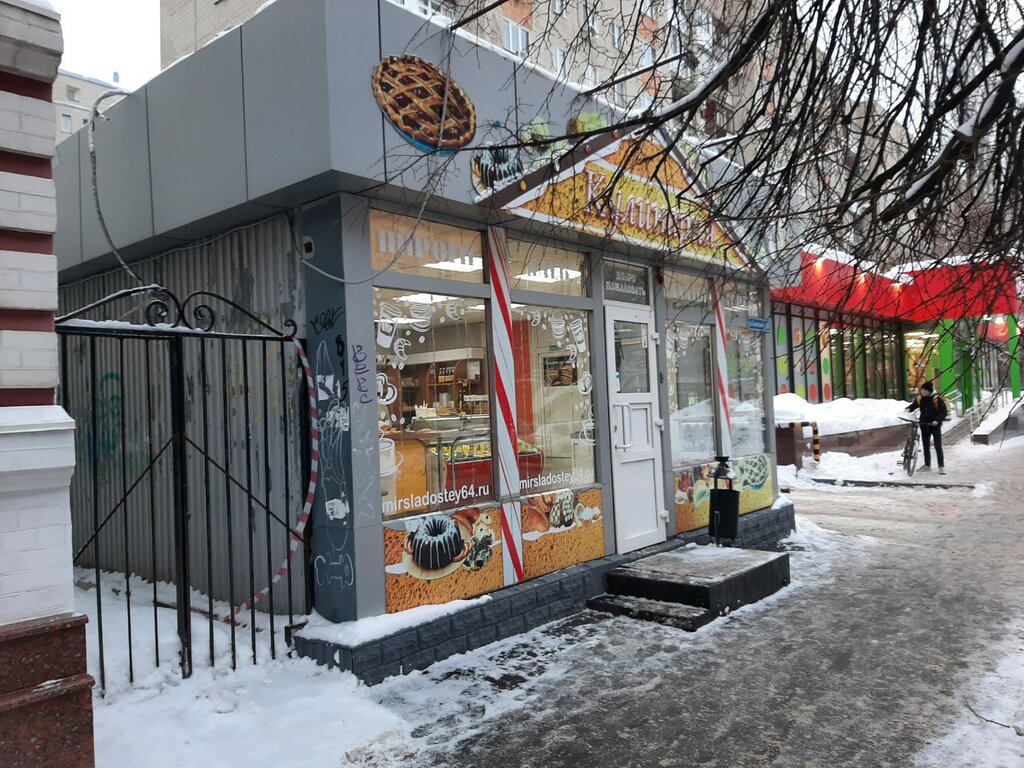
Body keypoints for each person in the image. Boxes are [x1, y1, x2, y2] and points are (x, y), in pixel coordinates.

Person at [906, 381, 948, 473]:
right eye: (922, 390)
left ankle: (941, 466)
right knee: (926, 446)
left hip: (935, 426)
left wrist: (937, 420)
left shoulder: (937, 399)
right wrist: (908, 409)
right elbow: (914, 406)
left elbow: (943, 412)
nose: (923, 392)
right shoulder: (920, 399)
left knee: (937, 446)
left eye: (925, 390)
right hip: (924, 425)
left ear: (929, 391)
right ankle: (927, 465)